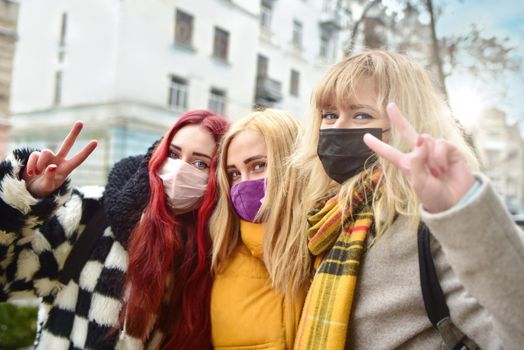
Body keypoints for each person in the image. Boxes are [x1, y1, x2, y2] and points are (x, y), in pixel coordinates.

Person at [291, 50, 524, 349]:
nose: (336, 128)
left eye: (361, 114)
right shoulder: (328, 221)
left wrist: (465, 211)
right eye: (330, 115)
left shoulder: (427, 226)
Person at [0, 110, 229, 349]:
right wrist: (21, 200)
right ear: (157, 155)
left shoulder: (213, 255)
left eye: (200, 163)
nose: (180, 169)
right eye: (173, 153)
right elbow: (7, 279)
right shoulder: (89, 211)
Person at [210, 109, 310, 349]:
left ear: (292, 163)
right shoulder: (224, 253)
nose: (243, 183)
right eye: (234, 173)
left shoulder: (327, 240)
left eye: (258, 165)